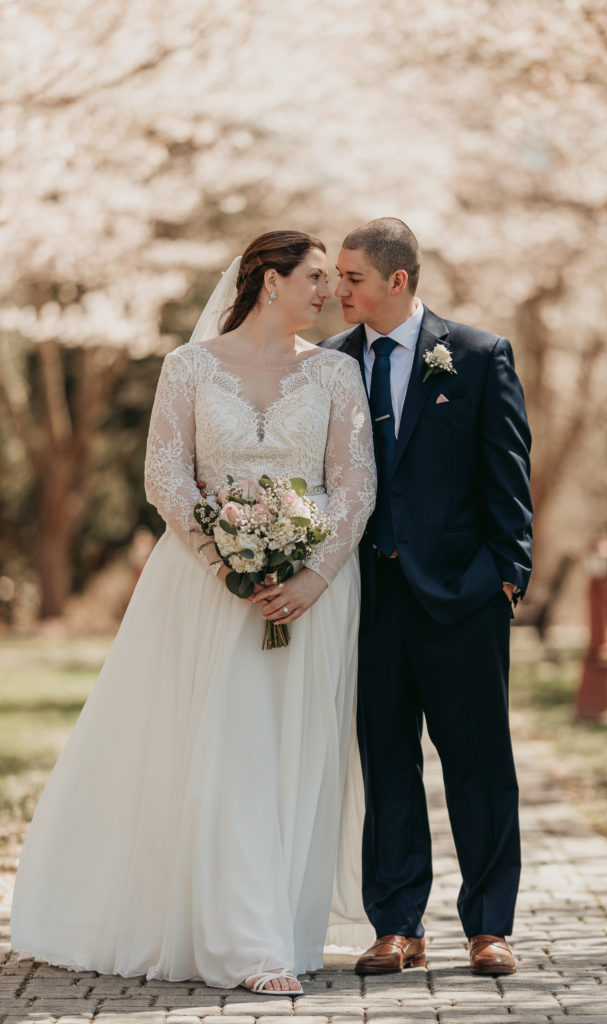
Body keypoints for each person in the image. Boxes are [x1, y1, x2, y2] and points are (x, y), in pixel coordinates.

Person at [11, 231, 376, 996]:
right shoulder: (190, 367)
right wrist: (224, 558)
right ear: (267, 281)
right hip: (203, 589)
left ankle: (275, 921)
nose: (328, 291)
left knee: (289, 749)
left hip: (313, 592)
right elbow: (164, 474)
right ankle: (245, 944)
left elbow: (353, 487)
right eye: (313, 277)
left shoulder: (338, 372)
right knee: (226, 745)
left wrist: (309, 577)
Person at [321, 218, 533, 977]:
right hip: (369, 603)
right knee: (386, 764)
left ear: (396, 282)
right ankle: (397, 925)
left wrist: (507, 575)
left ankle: (488, 927)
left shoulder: (475, 356)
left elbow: (507, 472)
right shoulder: (330, 363)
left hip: (463, 599)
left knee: (478, 764)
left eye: (350, 278)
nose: (334, 289)